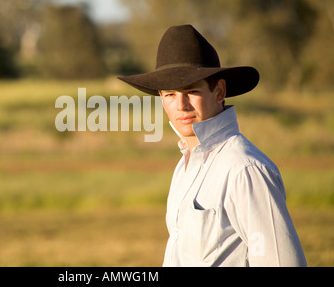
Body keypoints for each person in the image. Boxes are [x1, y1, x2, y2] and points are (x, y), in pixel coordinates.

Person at [118, 24, 307, 267]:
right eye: (170, 95)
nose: (181, 105)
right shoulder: (183, 167)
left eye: (192, 91)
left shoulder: (244, 169)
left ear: (219, 92)